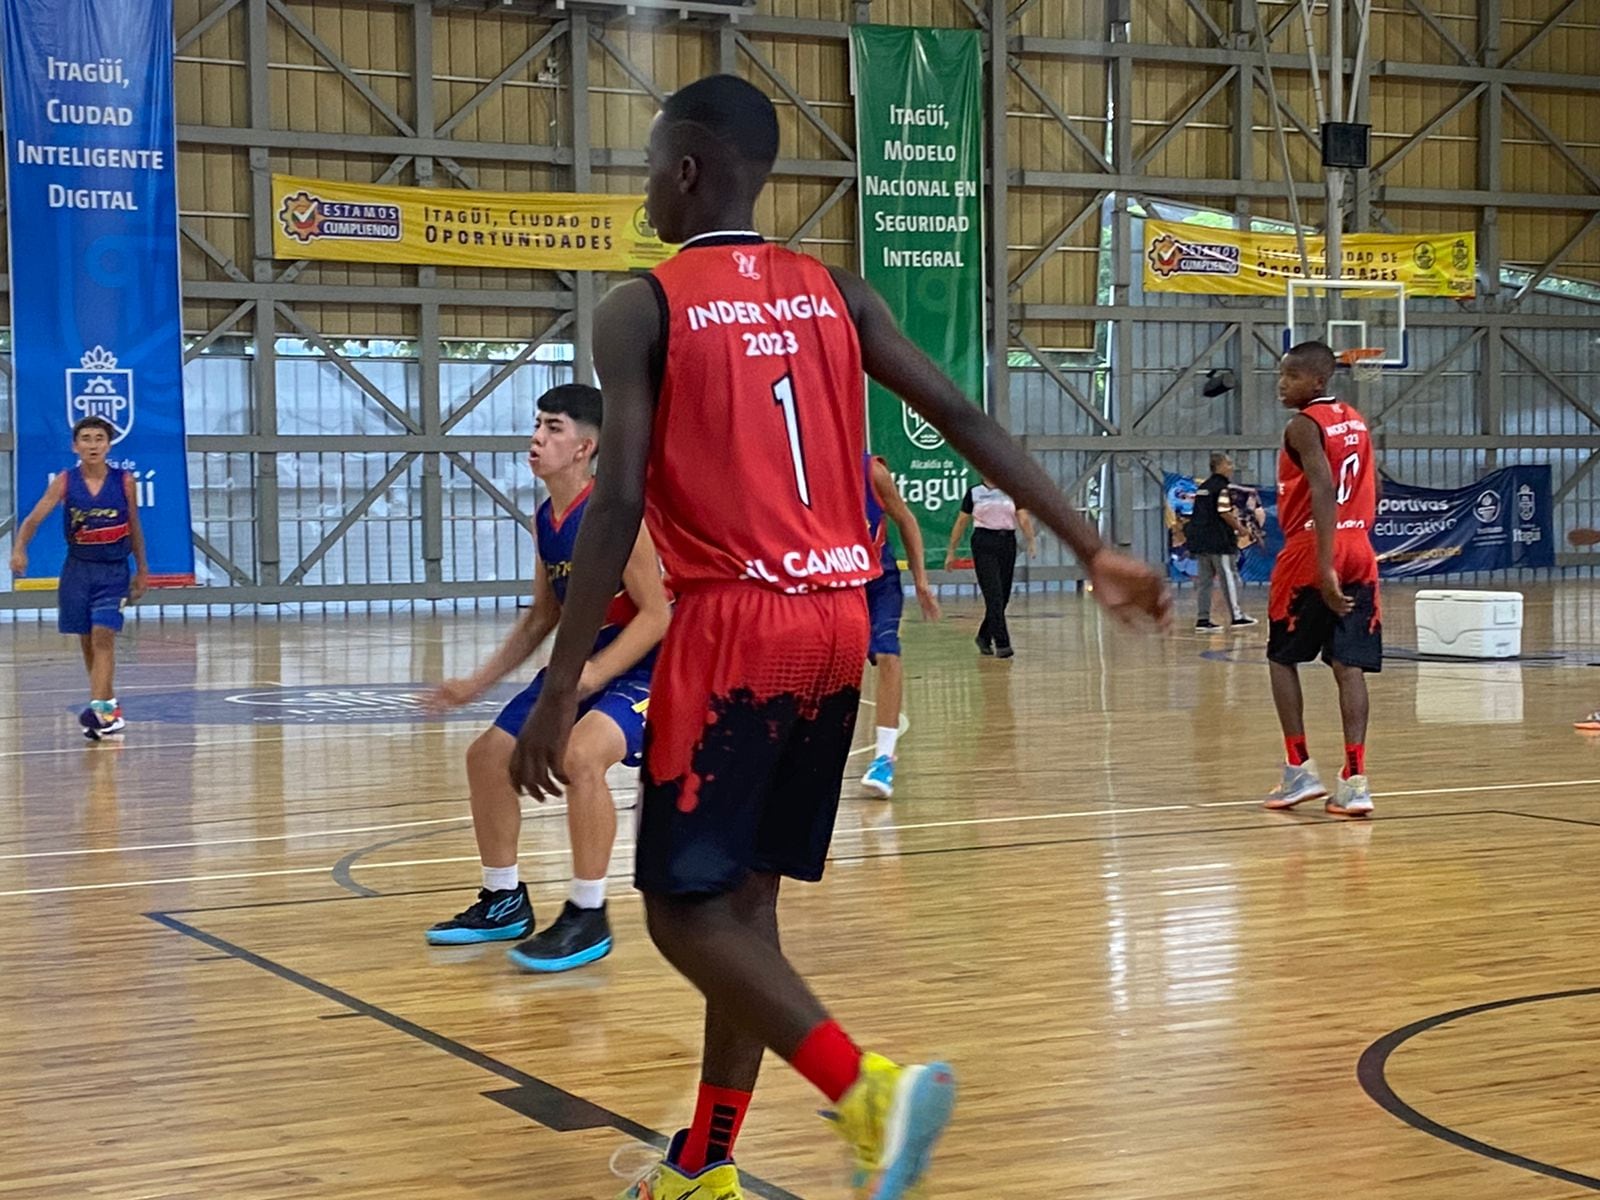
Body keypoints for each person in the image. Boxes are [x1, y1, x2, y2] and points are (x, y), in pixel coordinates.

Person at [506, 74, 1170, 1200]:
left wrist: (560, 684)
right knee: (746, 914)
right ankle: (705, 1167)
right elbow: (958, 414)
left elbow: (613, 500)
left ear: (684, 169)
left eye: (649, 165)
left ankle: (865, 1089)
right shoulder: (834, 291)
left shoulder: (642, 303)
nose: (644, 189)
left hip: (733, 629)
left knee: (679, 912)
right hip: (837, 624)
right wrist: (1089, 544)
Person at [424, 384, 670, 972]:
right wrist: (476, 682)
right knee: (487, 757)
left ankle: (588, 914)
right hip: (581, 665)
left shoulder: (618, 517)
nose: (537, 438)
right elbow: (543, 614)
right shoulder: (546, 516)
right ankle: (503, 899)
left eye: (553, 428)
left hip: (647, 664)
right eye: (538, 424)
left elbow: (659, 614)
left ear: (586, 447)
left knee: (581, 758)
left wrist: (592, 677)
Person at [1262, 342, 1381, 818]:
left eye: (1290, 376)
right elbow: (1371, 482)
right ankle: (1355, 782)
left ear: (1317, 381)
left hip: (1314, 550)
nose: (1281, 384)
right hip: (1360, 547)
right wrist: (1357, 539)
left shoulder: (1302, 425)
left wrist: (1327, 565)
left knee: (1280, 657)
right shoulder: (1354, 419)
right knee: (1347, 666)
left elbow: (1324, 488)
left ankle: (1298, 770)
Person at [9, 415, 149, 740]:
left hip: (113, 570)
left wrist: (142, 569)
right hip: (77, 570)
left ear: (108, 444)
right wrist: (19, 548)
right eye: (85, 439)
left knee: (103, 636)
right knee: (87, 641)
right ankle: (108, 712)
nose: (92, 444)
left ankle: (99, 707)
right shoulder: (65, 482)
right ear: (75, 445)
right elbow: (33, 519)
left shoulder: (125, 481)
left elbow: (135, 527)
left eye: (98, 438)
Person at [859, 453, 941, 799]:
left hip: (880, 580)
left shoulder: (872, 472)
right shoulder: (798, 473)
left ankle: (884, 758)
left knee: (888, 653)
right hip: (836, 583)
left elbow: (906, 519)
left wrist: (921, 580)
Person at [945, 480, 1036, 658]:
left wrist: (1031, 539)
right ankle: (1002, 643)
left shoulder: (1012, 490)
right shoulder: (974, 492)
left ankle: (983, 636)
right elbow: (962, 521)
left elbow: (1022, 516)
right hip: (984, 542)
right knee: (993, 594)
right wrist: (951, 551)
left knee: (1003, 597)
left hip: (1007, 542)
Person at [1187, 452, 1257, 630]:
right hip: (1219, 541)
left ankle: (1203, 619)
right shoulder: (1223, 487)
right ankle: (1237, 616)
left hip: (1201, 541)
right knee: (1229, 577)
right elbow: (1224, 511)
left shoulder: (1203, 487)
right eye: (1228, 464)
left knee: (1204, 582)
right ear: (1219, 466)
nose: (1231, 468)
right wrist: (1240, 529)